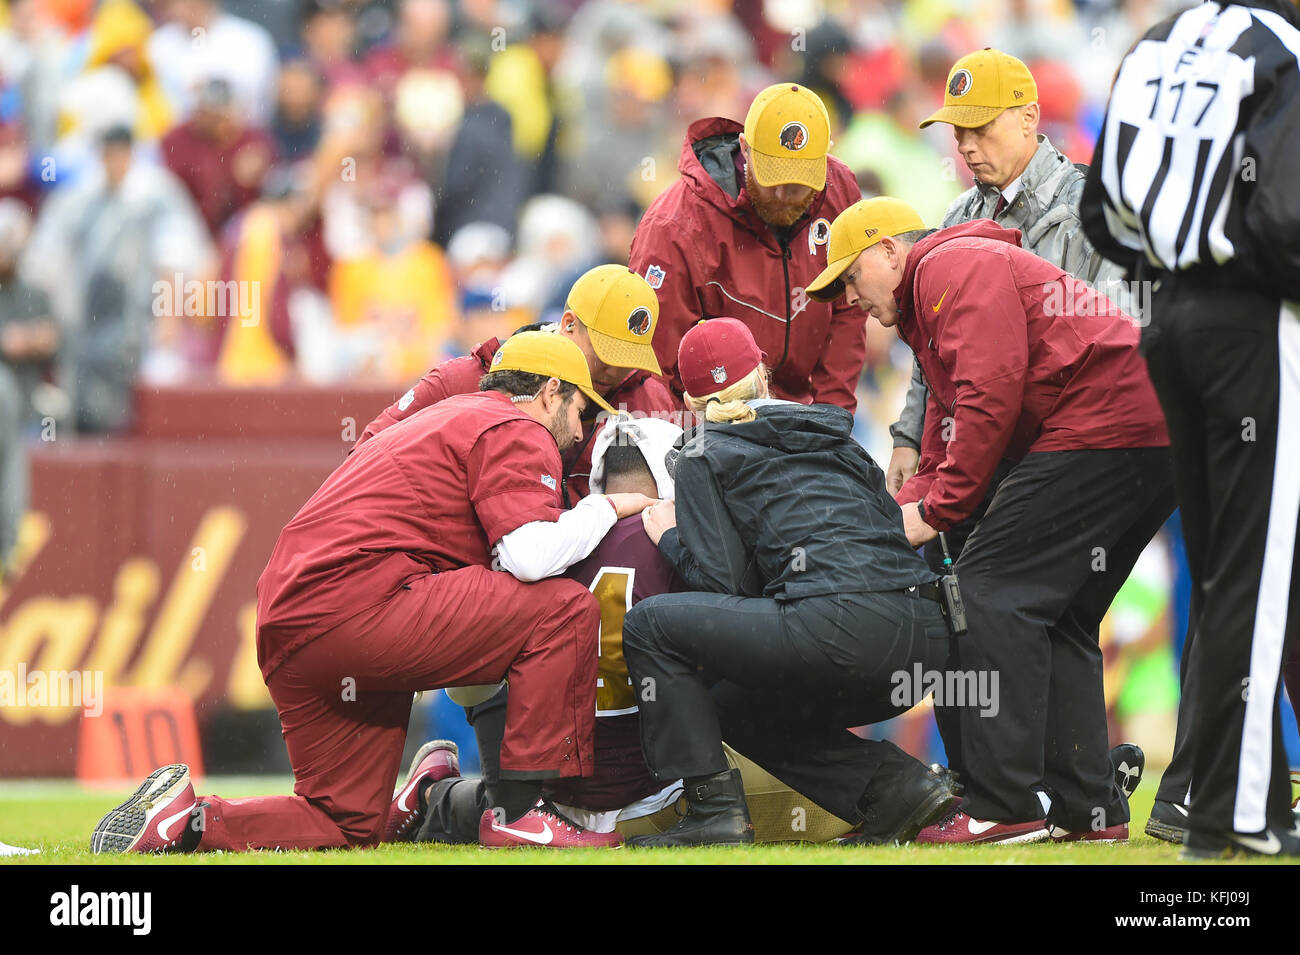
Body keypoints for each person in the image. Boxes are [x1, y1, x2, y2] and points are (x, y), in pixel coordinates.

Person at [90, 333, 658, 853]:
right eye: (581, 410)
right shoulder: (513, 425)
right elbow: (530, 558)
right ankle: (518, 812)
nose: (581, 431)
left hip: (291, 621)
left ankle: (187, 824)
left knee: (343, 825)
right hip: (359, 606)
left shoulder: (441, 417)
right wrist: (605, 506)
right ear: (551, 391)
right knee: (562, 610)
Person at [807, 196, 1171, 843]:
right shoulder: (943, 287)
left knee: (986, 594)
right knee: (1058, 614)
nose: (848, 297)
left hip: (1107, 423)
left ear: (890, 251)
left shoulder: (950, 268)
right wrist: (896, 512)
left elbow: (989, 393)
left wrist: (936, 510)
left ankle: (1004, 803)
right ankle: (1087, 809)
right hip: (1150, 429)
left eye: (849, 277)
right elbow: (953, 430)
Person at [402, 415, 857, 845]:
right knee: (842, 803)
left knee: (508, 802)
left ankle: (435, 799)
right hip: (654, 796)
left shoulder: (545, 546)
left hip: (549, 802)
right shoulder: (680, 547)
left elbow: (470, 686)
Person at [1080, 0, 1300, 859]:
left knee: (1217, 579)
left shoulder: (1154, 41)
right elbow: (1285, 217)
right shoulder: (1283, 49)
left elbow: (1104, 213)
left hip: (1169, 320)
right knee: (1256, 577)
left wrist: (1178, 267)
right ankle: (1235, 818)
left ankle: (1227, 803)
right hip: (1258, 324)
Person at [619, 318, 959, 848]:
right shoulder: (838, 437)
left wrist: (668, 536)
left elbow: (721, 583)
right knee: (731, 700)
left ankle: (714, 815)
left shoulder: (704, 451)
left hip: (838, 631)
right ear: (762, 372)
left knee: (648, 626)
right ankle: (895, 789)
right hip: (922, 640)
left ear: (689, 400)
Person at [886, 49, 1134, 527]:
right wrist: (908, 436)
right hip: (982, 448)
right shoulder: (958, 215)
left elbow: (1114, 342)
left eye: (981, 128)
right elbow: (930, 348)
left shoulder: (1091, 209)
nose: (965, 145)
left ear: (1029, 119)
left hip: (1067, 449)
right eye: (959, 131)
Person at [628, 83, 868, 412]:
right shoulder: (675, 228)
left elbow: (846, 311)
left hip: (803, 411)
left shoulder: (840, 191)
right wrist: (692, 443)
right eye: (772, 180)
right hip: (714, 416)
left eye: (799, 184)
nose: (784, 198)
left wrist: (832, 417)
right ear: (745, 148)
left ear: (824, 158)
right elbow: (654, 367)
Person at [356, 263, 679, 500]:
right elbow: (366, 457)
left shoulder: (649, 401)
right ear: (568, 324)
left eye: (630, 358)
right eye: (607, 354)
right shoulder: (467, 378)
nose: (617, 371)